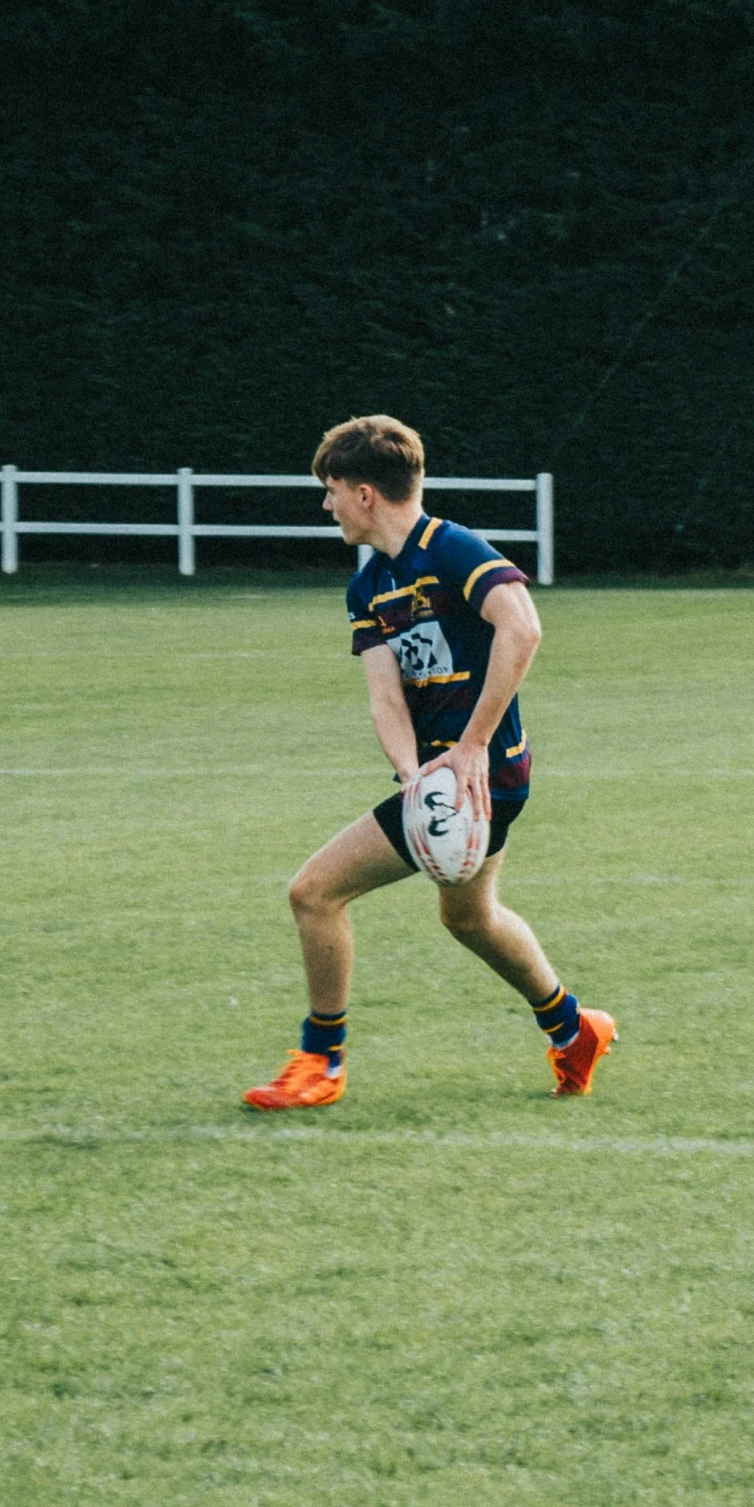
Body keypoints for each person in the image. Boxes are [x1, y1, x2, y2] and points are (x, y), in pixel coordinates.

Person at [243, 413, 616, 1110]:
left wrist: (469, 747)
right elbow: (385, 696)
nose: (325, 506)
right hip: (445, 781)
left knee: (314, 893)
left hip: (487, 774)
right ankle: (573, 1030)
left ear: (363, 493)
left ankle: (320, 1062)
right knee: (468, 918)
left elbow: (522, 625)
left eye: (329, 490)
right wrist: (413, 775)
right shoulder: (370, 587)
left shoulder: (451, 549)